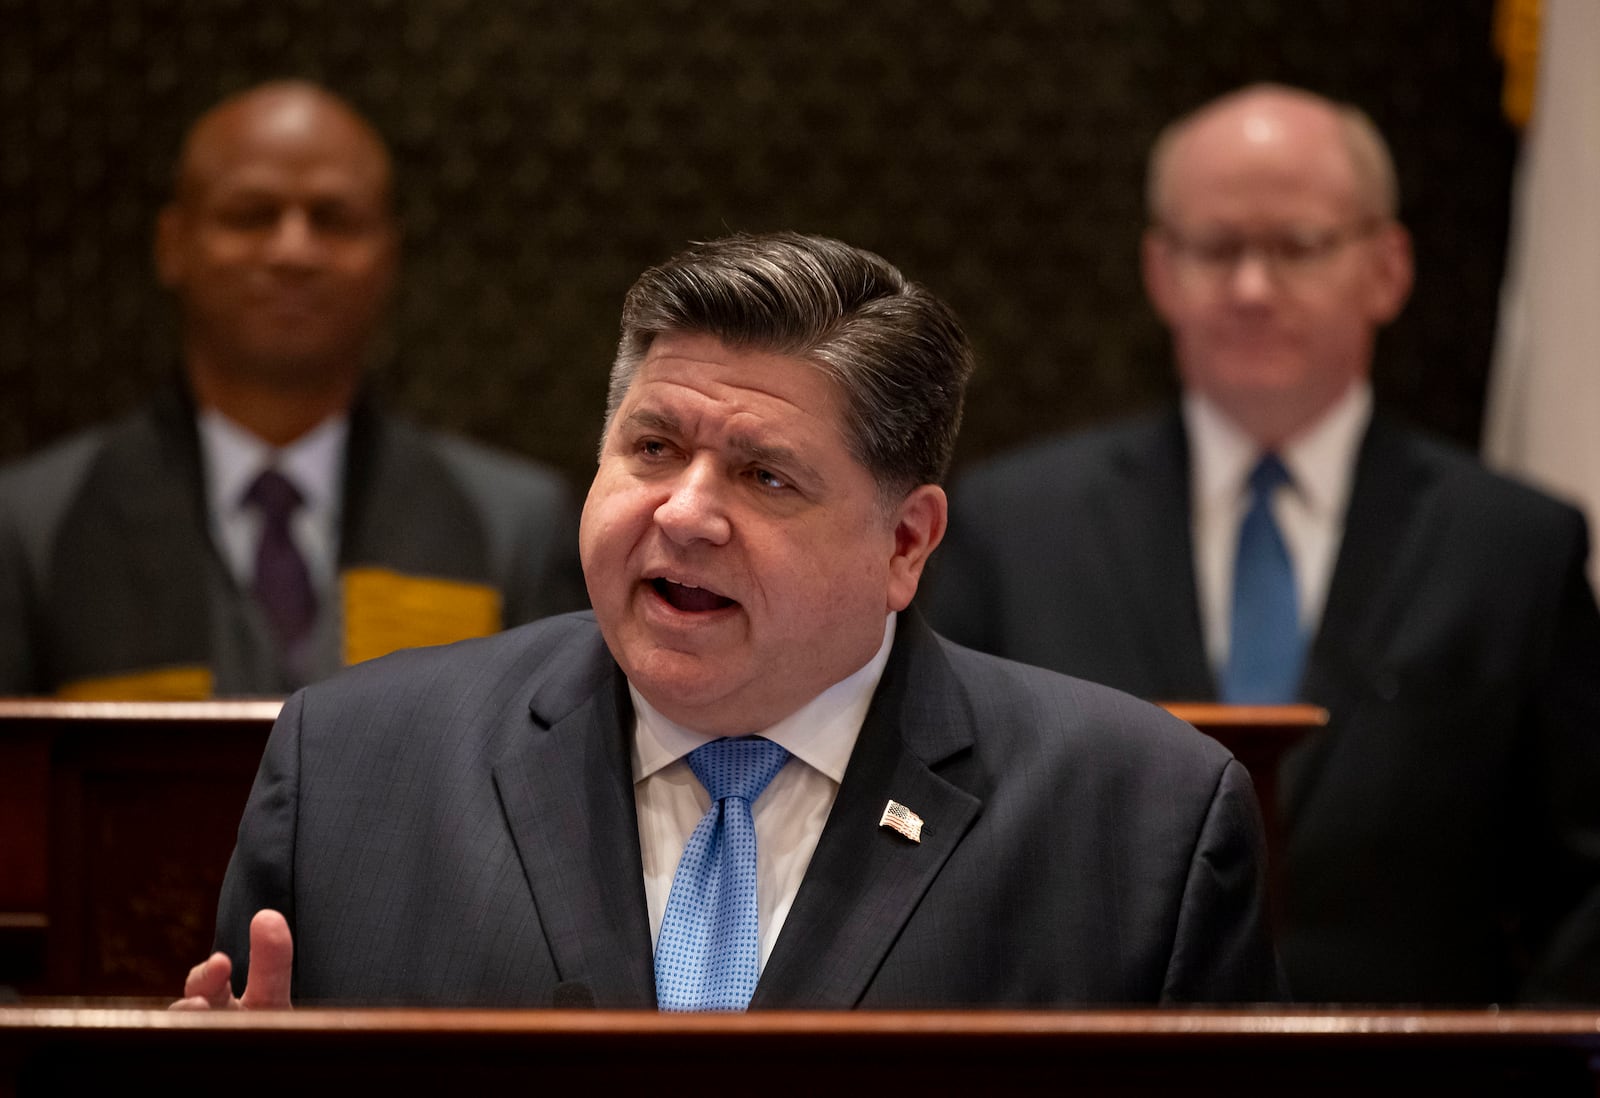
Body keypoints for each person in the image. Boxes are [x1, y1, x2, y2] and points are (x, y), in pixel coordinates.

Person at [173, 231, 1280, 1010]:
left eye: (766, 478)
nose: (686, 512)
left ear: (905, 545)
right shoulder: (356, 771)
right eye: (652, 449)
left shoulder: (1143, 825)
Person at [926, 84, 1600, 1004]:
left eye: (1297, 245)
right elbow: (937, 837)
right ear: (1160, 272)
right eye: (1215, 249)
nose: (1251, 287)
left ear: (1389, 268)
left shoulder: (1514, 546)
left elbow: (1586, 881)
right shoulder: (1012, 525)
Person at [0, 80, 585, 698]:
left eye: (333, 219)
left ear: (388, 254)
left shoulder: (515, 528)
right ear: (172, 246)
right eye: (252, 215)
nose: (293, 250)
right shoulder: (29, 529)